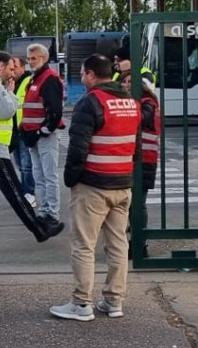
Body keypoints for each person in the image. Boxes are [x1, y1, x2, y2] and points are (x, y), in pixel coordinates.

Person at [50, 54, 141, 321]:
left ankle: (81, 304)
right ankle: (114, 301)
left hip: (93, 185)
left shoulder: (90, 103)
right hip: (122, 184)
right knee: (118, 245)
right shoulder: (131, 103)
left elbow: (78, 148)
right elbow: (134, 144)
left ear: (90, 75)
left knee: (84, 245)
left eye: (82, 74)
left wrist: (71, 179)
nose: (81, 78)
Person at [0, 52, 63, 245]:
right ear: (1, 66)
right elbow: (5, 112)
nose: (13, 73)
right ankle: (39, 230)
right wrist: (11, 94)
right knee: (15, 192)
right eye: (11, 69)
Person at [20, 43, 64, 232]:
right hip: (34, 135)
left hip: (43, 135)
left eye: (34, 58)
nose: (30, 62)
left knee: (49, 175)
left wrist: (42, 131)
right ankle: (45, 210)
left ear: (44, 59)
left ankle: (52, 214)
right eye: (29, 59)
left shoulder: (49, 79)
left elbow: (55, 110)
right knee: (39, 175)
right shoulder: (35, 78)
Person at [124, 70, 161, 260]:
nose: (127, 84)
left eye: (131, 81)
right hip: (133, 158)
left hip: (144, 159)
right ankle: (134, 241)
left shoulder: (148, 102)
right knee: (131, 204)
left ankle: (140, 243)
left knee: (138, 204)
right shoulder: (137, 102)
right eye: (125, 81)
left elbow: (143, 119)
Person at [9, 57, 35, 202]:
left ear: (23, 67)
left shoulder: (28, 82)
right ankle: (25, 191)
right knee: (19, 164)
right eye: (11, 67)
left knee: (26, 165)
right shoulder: (11, 83)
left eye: (15, 67)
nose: (13, 70)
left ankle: (29, 193)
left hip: (24, 129)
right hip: (14, 130)